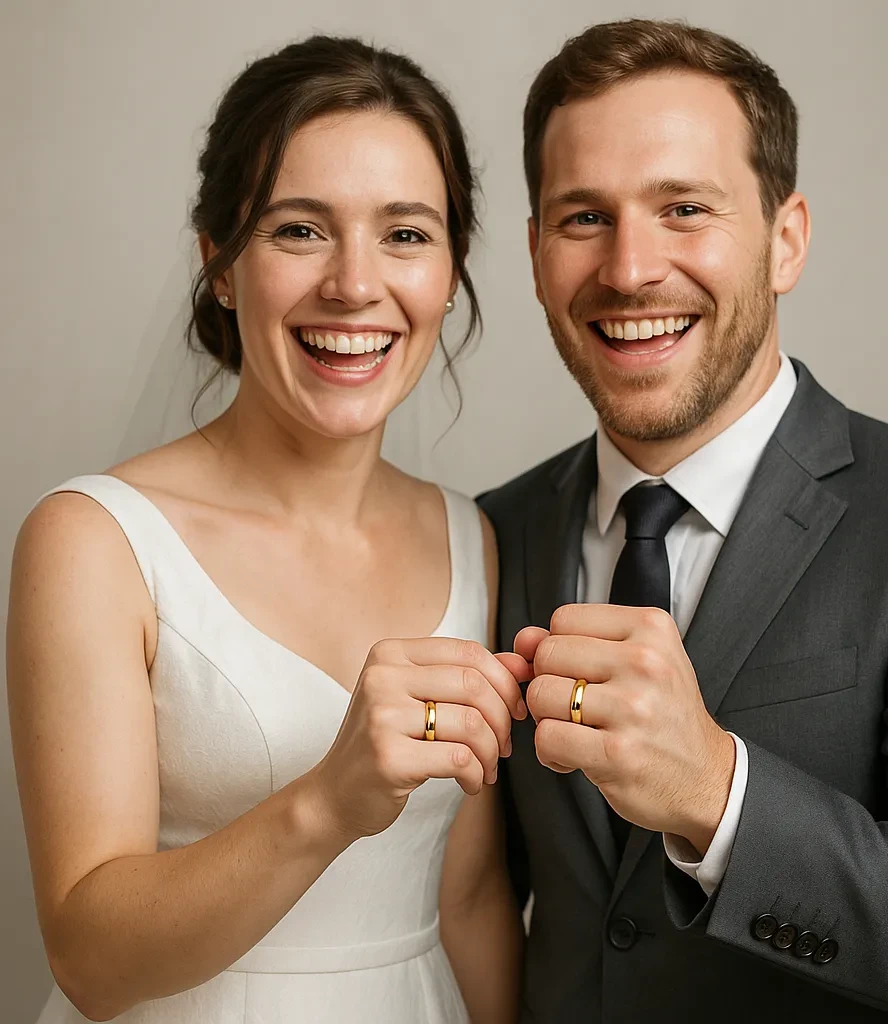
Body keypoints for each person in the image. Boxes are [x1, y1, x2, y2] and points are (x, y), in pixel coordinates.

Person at [479, 18, 888, 1023]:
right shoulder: (492, 531)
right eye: (583, 217)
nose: (630, 268)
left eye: (684, 209)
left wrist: (716, 793)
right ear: (535, 252)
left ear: (786, 240)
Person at [7, 35, 527, 1024]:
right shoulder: (93, 543)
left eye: (405, 233)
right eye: (299, 230)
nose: (354, 284)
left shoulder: (473, 538)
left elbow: (467, 898)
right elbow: (89, 961)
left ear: (451, 271)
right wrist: (326, 802)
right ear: (219, 263)